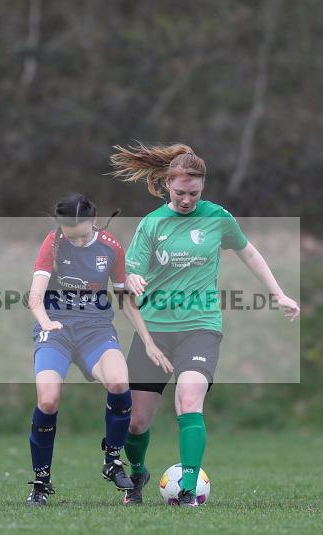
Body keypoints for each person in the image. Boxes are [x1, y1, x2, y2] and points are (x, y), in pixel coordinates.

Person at [108, 142, 300, 506]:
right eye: (180, 192)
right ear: (167, 184)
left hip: (201, 327)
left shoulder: (217, 217)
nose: (186, 200)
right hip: (154, 331)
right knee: (135, 422)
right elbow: (130, 271)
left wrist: (278, 293)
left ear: (203, 188)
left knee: (189, 398)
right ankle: (137, 476)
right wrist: (132, 279)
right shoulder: (152, 225)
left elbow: (249, 252)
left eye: (194, 193)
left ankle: (189, 491)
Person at [26, 193, 172, 506]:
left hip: (95, 331)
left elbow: (124, 299)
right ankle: (41, 481)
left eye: (81, 236)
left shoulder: (110, 246)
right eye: (70, 236)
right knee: (48, 400)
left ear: (93, 222)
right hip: (56, 331)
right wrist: (46, 321)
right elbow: (35, 297)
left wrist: (147, 341)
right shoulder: (53, 243)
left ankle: (112, 459)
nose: (76, 243)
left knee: (120, 384)